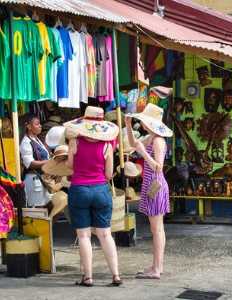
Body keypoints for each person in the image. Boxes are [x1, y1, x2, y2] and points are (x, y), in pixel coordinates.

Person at [64, 106, 121, 287]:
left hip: (79, 189)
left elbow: (70, 167)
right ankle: (116, 276)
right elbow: (109, 174)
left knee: (83, 236)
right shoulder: (107, 145)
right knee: (105, 235)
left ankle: (88, 277)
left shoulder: (75, 142)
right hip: (100, 191)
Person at [125, 103, 173, 280]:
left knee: (157, 229)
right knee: (156, 229)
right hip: (151, 185)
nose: (143, 123)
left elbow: (158, 167)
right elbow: (132, 144)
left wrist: (143, 152)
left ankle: (157, 269)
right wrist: (128, 126)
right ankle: (156, 265)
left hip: (156, 185)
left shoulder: (158, 141)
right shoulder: (151, 137)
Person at [20, 114, 51, 207]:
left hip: (41, 179)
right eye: (37, 124)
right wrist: (49, 162)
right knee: (38, 210)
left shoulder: (36, 139)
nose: (40, 126)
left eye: (40, 124)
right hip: (34, 181)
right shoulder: (26, 142)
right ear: (29, 126)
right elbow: (29, 163)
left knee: (48, 207)